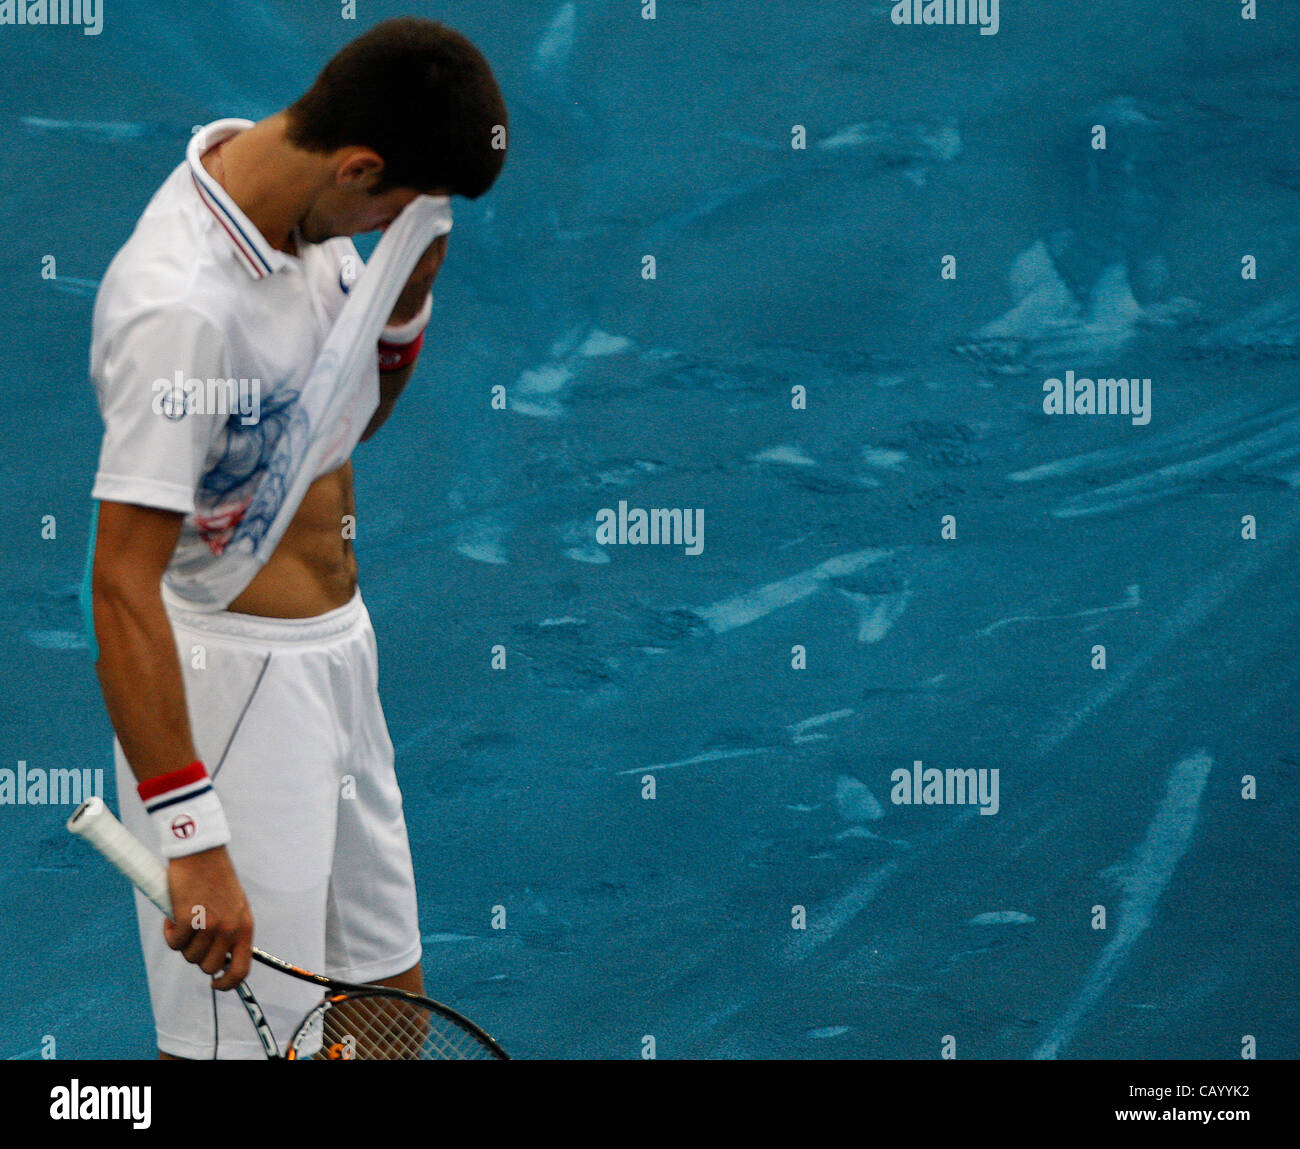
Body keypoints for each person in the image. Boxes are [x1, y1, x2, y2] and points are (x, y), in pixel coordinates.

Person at [85, 17, 507, 1059]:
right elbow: (119, 586)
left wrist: (401, 307)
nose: (400, 225)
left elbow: (325, 438)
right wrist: (192, 834)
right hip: (230, 697)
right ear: (359, 164)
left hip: (339, 663)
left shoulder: (305, 220)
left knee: (383, 1023)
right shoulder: (179, 309)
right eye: (400, 208)